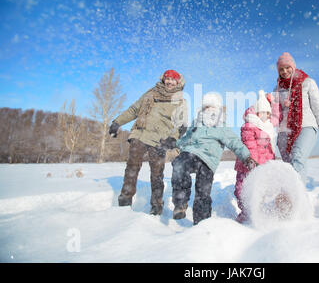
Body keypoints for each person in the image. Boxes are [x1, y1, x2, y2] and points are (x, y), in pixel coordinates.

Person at [109, 70, 188, 215]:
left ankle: (156, 206)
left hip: (160, 140)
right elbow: (134, 110)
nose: (169, 82)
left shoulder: (180, 101)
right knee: (132, 168)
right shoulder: (150, 93)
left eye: (173, 80)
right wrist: (117, 122)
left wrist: (173, 138)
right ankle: (125, 202)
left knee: (157, 174)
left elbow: (182, 124)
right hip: (140, 133)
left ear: (178, 82)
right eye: (167, 79)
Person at [171, 92, 257, 225]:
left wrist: (246, 157)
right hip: (191, 153)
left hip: (208, 160)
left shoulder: (221, 126)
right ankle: (180, 202)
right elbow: (186, 138)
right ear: (203, 109)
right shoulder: (196, 123)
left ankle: (201, 222)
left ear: (218, 109)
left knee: (203, 191)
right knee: (179, 165)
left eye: (213, 107)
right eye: (207, 107)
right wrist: (174, 143)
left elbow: (235, 142)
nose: (209, 110)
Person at [273, 52, 319, 184]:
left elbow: (318, 109)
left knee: (298, 156)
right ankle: (300, 197)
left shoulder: (308, 83)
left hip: (306, 126)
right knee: (290, 164)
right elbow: (275, 113)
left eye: (287, 67)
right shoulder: (277, 88)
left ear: (293, 67)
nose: (284, 71)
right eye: (281, 69)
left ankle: (290, 195)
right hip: (285, 129)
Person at [233, 90, 280, 223]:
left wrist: (274, 102)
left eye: (267, 113)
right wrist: (253, 161)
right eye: (261, 112)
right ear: (256, 112)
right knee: (241, 189)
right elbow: (249, 145)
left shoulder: (269, 125)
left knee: (260, 190)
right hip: (247, 164)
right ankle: (245, 211)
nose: (264, 116)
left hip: (263, 165)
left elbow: (277, 116)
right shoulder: (249, 125)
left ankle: (256, 211)